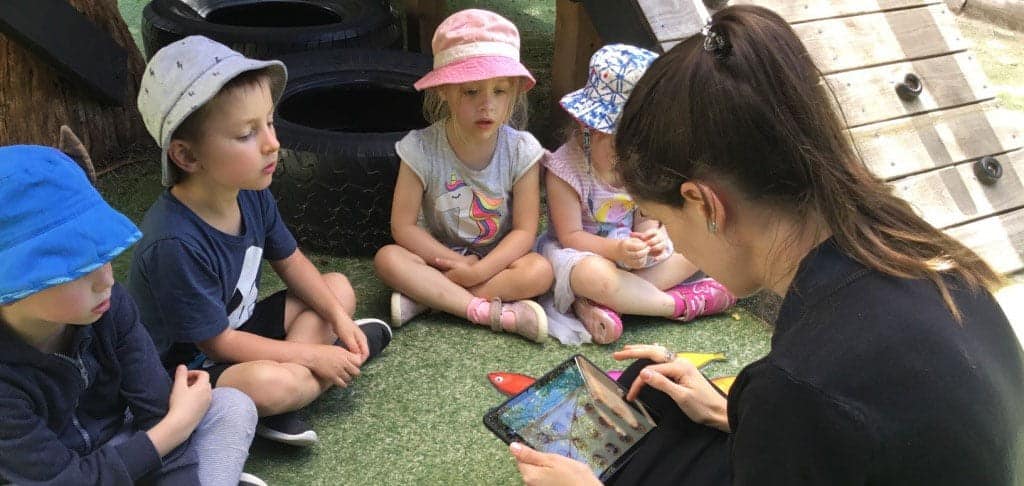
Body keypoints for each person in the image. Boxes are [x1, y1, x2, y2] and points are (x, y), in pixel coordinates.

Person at [510, 5, 1024, 485]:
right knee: (655, 390)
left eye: (665, 221)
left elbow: (821, 402)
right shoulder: (902, 244)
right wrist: (727, 409)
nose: (667, 243)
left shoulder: (798, 390)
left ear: (705, 205)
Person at [129, 36, 392, 447]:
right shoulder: (173, 243)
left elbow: (292, 262)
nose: (272, 142)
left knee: (337, 288)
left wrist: (338, 320)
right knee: (273, 384)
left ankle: (302, 386)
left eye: (268, 122)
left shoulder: (250, 192)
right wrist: (314, 354)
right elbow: (218, 342)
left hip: (243, 330)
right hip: (190, 372)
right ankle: (307, 382)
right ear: (187, 156)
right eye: (246, 134)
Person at [0, 145, 263, 486]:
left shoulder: (108, 306)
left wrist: (174, 448)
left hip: (126, 447)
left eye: (103, 253)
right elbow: (66, 480)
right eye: (78, 269)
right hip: (54, 477)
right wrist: (175, 428)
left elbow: (156, 408)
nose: (106, 280)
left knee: (231, 406)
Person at [374, 9, 554, 342]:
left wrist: (479, 270)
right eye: (471, 92)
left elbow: (526, 230)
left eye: (500, 91)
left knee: (540, 272)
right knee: (388, 259)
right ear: (444, 89)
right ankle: (486, 312)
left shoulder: (522, 150)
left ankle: (430, 299)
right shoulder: (420, 148)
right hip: (437, 258)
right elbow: (404, 226)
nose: (487, 105)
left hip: (496, 262)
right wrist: (448, 263)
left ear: (514, 92)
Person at [538, 44, 735, 345]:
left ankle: (613, 302)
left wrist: (654, 236)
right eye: (620, 146)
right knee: (594, 277)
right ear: (587, 127)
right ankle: (676, 304)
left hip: (630, 257)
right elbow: (570, 236)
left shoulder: (639, 161)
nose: (631, 157)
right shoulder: (564, 169)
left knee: (697, 242)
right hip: (586, 254)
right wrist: (616, 252)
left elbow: (646, 216)